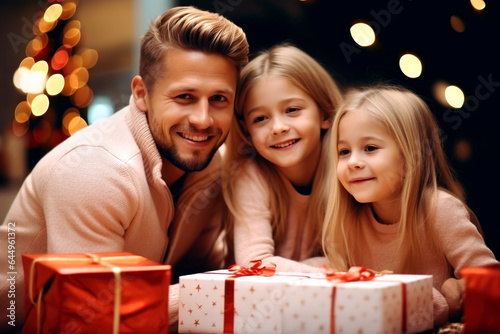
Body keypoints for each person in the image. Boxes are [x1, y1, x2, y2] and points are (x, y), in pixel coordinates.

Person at [0, 5, 248, 332]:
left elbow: (196, 268)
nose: (203, 120)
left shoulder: (212, 163)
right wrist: (225, 293)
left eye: (219, 99)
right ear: (142, 94)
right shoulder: (95, 172)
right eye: (185, 96)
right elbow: (94, 318)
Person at [321, 84, 498, 325]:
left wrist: (457, 295)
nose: (353, 162)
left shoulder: (439, 209)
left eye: (370, 148)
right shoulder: (350, 219)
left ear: (412, 154)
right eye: (343, 152)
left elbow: (490, 284)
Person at [222, 44, 343, 272]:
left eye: (292, 110)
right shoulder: (250, 176)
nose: (277, 127)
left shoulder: (347, 170)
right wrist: (324, 268)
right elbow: (254, 265)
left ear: (325, 113)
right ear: (246, 130)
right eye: (260, 119)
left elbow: (353, 260)